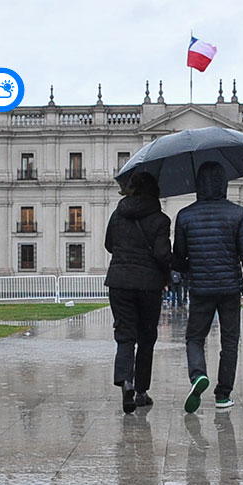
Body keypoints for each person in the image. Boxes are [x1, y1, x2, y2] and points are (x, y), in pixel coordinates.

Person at [173, 161, 243, 413]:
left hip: (201, 288)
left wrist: (192, 267)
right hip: (230, 289)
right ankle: (223, 395)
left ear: (198, 185)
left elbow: (179, 257)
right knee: (230, 341)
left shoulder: (185, 215)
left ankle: (198, 375)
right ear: (224, 185)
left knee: (194, 338)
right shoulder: (237, 214)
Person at [104, 172, 171, 413]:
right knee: (146, 337)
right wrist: (176, 265)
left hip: (119, 282)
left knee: (124, 335)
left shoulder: (117, 215)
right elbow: (163, 255)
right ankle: (141, 391)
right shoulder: (161, 220)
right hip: (148, 285)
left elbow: (109, 245)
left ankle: (126, 382)